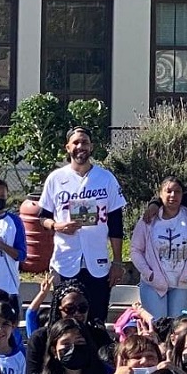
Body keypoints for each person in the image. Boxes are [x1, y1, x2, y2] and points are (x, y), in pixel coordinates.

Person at [36, 129, 127, 323]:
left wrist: (117, 261)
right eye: (75, 142)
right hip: (65, 260)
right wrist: (57, 226)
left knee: (96, 320)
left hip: (98, 263)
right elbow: (42, 217)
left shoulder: (106, 178)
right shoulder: (56, 178)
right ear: (67, 147)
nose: (80, 147)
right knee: (63, 321)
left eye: (84, 142)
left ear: (91, 146)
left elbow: (116, 223)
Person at [130, 177, 187, 321]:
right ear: (160, 194)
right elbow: (135, 250)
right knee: (157, 325)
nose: (173, 195)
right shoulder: (148, 220)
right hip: (154, 283)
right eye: (168, 191)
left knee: (177, 327)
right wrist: (149, 273)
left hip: (182, 283)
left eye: (177, 192)